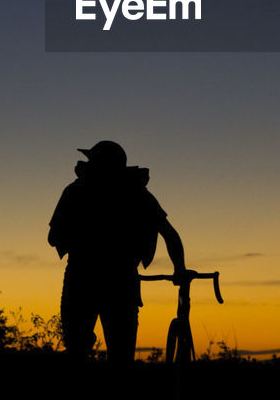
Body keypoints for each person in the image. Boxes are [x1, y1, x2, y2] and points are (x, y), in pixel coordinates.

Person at [48, 140, 186, 362]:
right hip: (120, 284)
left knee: (77, 353)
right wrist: (179, 268)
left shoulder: (75, 191)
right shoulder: (138, 194)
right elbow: (170, 234)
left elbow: (53, 238)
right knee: (120, 360)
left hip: (81, 282)